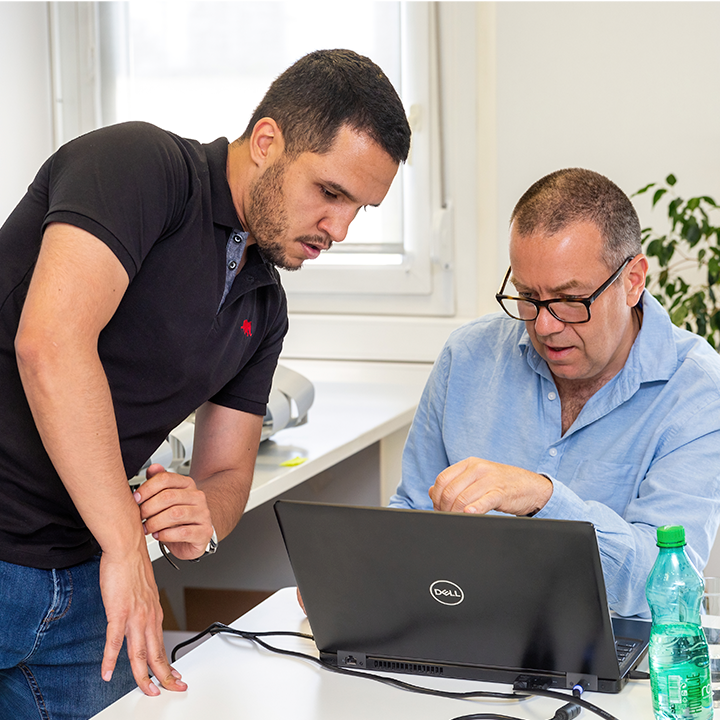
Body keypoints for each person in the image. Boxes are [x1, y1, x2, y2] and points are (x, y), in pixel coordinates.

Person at [0, 49, 410, 719]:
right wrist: (128, 546)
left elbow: (225, 473)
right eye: (331, 193)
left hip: (83, 579)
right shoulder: (140, 167)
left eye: (359, 209)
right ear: (269, 141)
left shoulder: (263, 306)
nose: (339, 229)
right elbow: (49, 344)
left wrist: (204, 519)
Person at [391, 168, 720, 618]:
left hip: (624, 656)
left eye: (570, 300)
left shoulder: (698, 391)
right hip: (473, 624)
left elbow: (660, 584)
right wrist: (365, 575)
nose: (545, 325)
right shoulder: (468, 356)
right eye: (528, 296)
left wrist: (544, 499)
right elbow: (410, 516)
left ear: (633, 281)